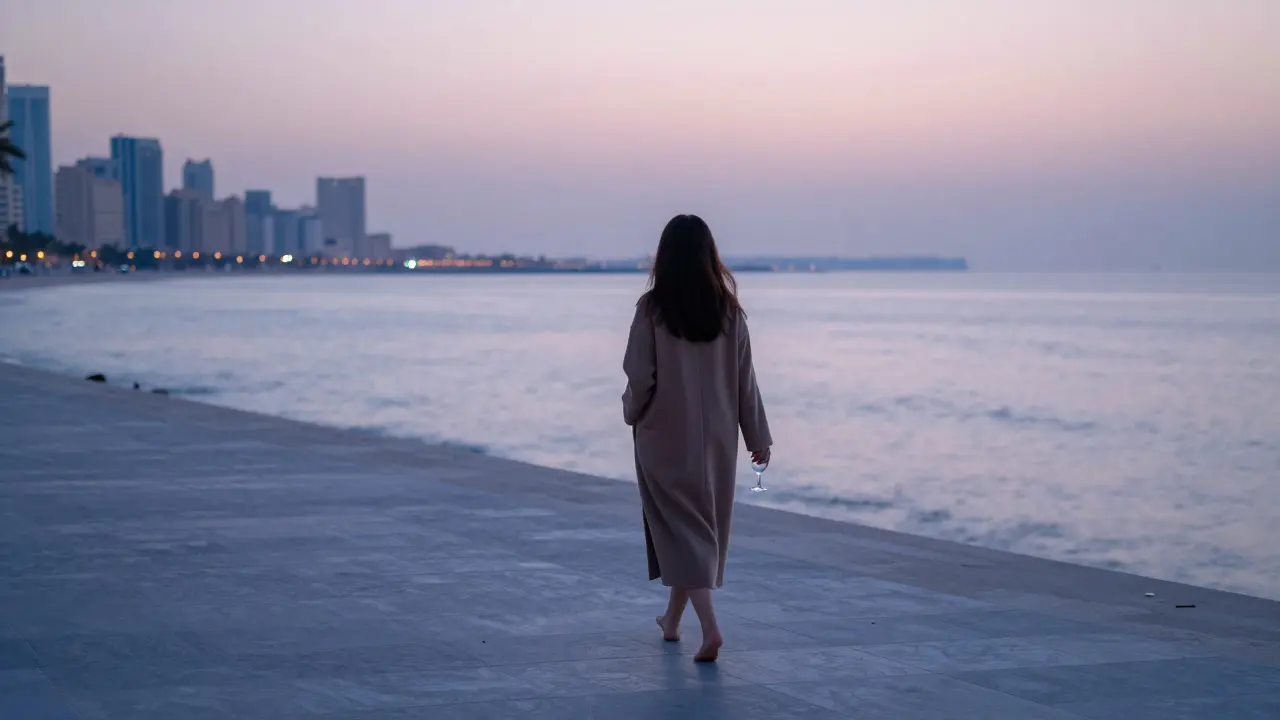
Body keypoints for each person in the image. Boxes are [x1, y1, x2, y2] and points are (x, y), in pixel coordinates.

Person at [622, 214, 772, 663]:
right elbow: (746, 382)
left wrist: (632, 411)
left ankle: (710, 629)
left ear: (665, 257)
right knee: (694, 531)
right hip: (718, 442)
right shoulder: (730, 312)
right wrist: (757, 435)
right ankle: (671, 620)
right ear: (711, 256)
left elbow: (639, 375)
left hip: (664, 435)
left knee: (682, 531)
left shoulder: (652, 309)